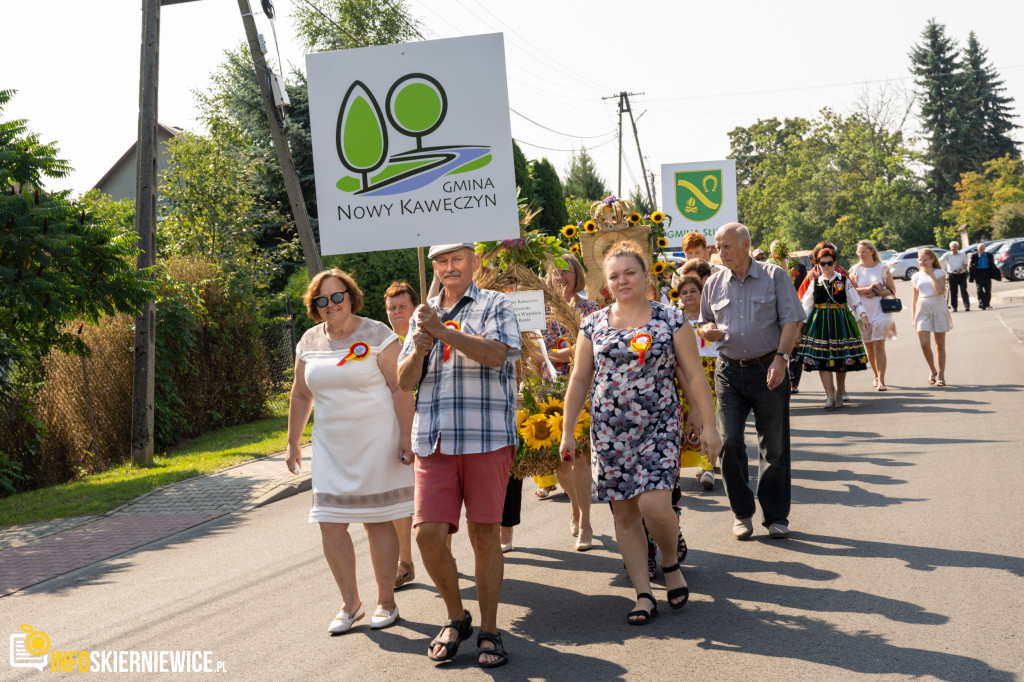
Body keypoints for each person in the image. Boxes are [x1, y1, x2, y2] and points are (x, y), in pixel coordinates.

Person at [559, 240, 720, 626]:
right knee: (625, 513)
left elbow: (695, 374)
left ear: (645, 274)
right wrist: (567, 431)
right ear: (605, 282)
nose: (622, 280)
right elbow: (580, 379)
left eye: (630, 272)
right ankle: (642, 593)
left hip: (658, 426)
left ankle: (669, 563)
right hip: (610, 433)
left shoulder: (670, 319)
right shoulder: (592, 323)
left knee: (654, 505)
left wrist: (710, 425)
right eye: (614, 276)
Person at [397, 242, 521, 668]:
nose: (449, 268)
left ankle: (489, 628)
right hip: (434, 439)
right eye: (442, 262)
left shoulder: (496, 304)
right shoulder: (422, 313)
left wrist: (444, 331)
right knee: (426, 535)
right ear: (434, 267)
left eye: (457, 260)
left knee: (484, 537)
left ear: (474, 263)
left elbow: (495, 355)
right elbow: (403, 379)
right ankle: (456, 615)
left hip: (486, 438)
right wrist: (420, 345)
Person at [287, 269, 414, 634]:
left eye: (336, 296)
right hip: (330, 448)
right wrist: (293, 441)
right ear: (315, 306)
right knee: (330, 523)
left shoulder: (378, 334)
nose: (330, 305)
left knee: (377, 521)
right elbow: (300, 394)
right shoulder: (309, 342)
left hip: (377, 443)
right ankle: (350, 603)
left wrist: (407, 437)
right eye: (321, 300)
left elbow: (400, 388)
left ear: (351, 296)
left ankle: (386, 602)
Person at [699, 223, 805, 540]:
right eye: (717, 247)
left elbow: (792, 320)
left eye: (727, 246)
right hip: (728, 371)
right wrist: (706, 330)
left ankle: (775, 516)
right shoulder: (714, 283)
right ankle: (741, 513)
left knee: (773, 446)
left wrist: (781, 359)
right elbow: (704, 319)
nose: (721, 253)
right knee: (729, 443)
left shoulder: (775, 277)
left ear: (746, 245)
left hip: (769, 368)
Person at [540, 254, 601, 551]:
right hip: (548, 388)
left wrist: (552, 355)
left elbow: (583, 350)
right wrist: (549, 356)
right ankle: (575, 505)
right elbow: (528, 345)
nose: (560, 277)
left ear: (577, 275)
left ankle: (586, 523)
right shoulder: (538, 308)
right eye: (555, 272)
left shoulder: (590, 309)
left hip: (583, 386)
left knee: (581, 458)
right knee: (559, 462)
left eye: (566, 272)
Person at [798, 247, 870, 409]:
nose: (826, 266)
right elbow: (807, 306)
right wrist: (798, 328)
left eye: (829, 263)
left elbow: (855, 301)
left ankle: (839, 393)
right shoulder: (815, 282)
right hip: (819, 324)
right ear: (818, 265)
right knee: (822, 361)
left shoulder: (843, 280)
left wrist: (863, 316)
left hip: (840, 322)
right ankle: (829, 395)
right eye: (822, 263)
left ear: (835, 263)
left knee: (840, 360)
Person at [384, 281, 420, 590]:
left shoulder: (428, 335)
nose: (397, 312)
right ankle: (405, 562)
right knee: (401, 499)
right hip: (397, 430)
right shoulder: (381, 343)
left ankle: (443, 556)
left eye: (402, 307)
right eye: (392, 308)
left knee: (434, 499)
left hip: (432, 425)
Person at [676, 275, 719, 489]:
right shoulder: (676, 319)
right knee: (684, 417)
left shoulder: (710, 317)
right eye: (684, 292)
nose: (688, 295)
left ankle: (707, 468)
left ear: (701, 294)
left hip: (709, 369)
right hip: (683, 371)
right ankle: (679, 466)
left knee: (707, 416)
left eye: (693, 291)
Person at [848, 240, 897, 392]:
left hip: (880, 310)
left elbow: (891, 290)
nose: (861, 254)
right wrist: (866, 290)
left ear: (871, 251)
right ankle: (875, 375)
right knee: (869, 347)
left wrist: (876, 291)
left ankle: (882, 380)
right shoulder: (855, 270)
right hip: (862, 312)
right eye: (859, 252)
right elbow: (851, 290)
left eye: (863, 251)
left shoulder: (882, 268)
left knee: (878, 345)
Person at [769, 239, 808, 394]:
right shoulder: (766, 267)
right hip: (773, 314)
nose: (777, 252)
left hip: (794, 310)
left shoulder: (799, 267)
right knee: (776, 349)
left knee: (794, 348)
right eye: (774, 249)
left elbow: (804, 290)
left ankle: (793, 382)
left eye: (780, 248)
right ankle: (775, 379)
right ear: (771, 252)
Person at [912, 248, 951, 386]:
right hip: (922, 310)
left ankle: (941, 374)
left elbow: (940, 291)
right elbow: (915, 298)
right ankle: (932, 369)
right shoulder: (916, 276)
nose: (922, 262)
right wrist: (913, 317)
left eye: (925, 259)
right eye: (920, 260)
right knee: (924, 344)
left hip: (938, 308)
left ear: (932, 259)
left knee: (939, 345)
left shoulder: (939, 273)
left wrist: (931, 275)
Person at [968, 242, 1000, 310]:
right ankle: (982, 303)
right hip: (978, 273)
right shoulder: (974, 256)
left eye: (982, 249)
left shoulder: (989, 255)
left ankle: (988, 304)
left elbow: (992, 264)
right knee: (979, 289)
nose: (981, 250)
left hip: (987, 272)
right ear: (977, 249)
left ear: (984, 249)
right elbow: (971, 265)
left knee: (988, 289)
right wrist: (970, 274)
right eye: (979, 249)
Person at [941, 242, 969, 312]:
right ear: (950, 248)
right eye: (952, 247)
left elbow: (966, 264)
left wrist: (962, 269)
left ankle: (967, 306)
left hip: (962, 275)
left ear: (958, 247)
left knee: (963, 290)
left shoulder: (962, 254)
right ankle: (954, 307)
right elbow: (939, 261)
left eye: (955, 247)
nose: (954, 248)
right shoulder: (947, 255)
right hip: (952, 275)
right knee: (953, 292)